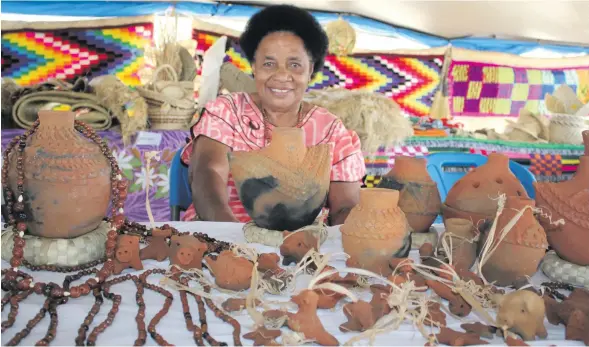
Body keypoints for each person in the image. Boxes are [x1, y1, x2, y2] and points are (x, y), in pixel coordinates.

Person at [181, 4, 365, 226]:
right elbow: (207, 173)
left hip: (299, 248)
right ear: (254, 67)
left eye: (294, 65)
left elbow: (345, 206)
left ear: (310, 70)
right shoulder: (227, 112)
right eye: (269, 63)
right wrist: (232, 237)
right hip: (221, 237)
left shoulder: (331, 131)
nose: (281, 75)